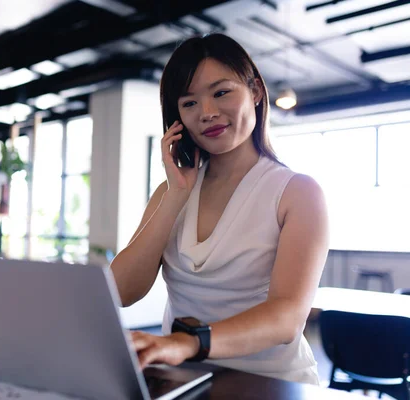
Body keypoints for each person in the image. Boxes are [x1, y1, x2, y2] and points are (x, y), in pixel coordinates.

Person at [109, 33, 329, 385]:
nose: (207, 113)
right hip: (183, 378)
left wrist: (189, 343)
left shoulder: (298, 193)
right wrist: (176, 196)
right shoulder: (170, 192)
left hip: (271, 383)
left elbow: (287, 318)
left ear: (255, 91)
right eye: (189, 103)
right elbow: (120, 292)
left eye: (221, 92)